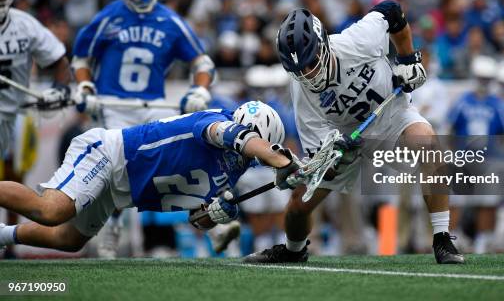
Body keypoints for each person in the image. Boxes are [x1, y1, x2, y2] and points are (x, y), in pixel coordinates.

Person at [246, 1, 464, 264]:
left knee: (429, 145)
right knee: (298, 205)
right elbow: (321, 157)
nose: (308, 73)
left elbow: (391, 11)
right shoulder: (301, 92)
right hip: (343, 141)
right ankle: (294, 250)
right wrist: (333, 156)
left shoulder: (358, 40)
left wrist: (408, 59)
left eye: (311, 62)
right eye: (299, 69)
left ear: (323, 45)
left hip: (389, 119)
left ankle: (442, 238)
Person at [0, 101, 301, 253]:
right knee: (53, 210)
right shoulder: (217, 122)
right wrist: (281, 159)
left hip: (122, 190)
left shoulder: (236, 166)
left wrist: (215, 215)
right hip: (110, 154)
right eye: (255, 149)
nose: (249, 158)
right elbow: (239, 139)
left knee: (69, 240)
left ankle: (2, 235)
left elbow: (196, 219)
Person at [71, 0, 215, 258]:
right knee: (114, 168)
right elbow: (82, 57)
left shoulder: (170, 20)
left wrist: (200, 90)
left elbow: (203, 62)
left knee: (164, 167)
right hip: (114, 105)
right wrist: (85, 85)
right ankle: (112, 223)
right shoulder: (109, 16)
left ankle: (203, 220)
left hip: (151, 106)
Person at [0, 0, 71, 162]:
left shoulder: (25, 25)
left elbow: (60, 61)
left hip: (17, 113)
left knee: (13, 174)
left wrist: (58, 90)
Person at [447, 55, 504, 254]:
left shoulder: (497, 104)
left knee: (487, 201)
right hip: (463, 157)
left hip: (488, 158)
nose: (484, 82)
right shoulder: (463, 101)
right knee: (456, 200)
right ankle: (454, 237)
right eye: (481, 78)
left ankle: (483, 240)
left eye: (487, 78)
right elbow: (449, 128)